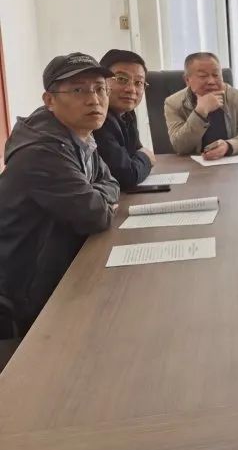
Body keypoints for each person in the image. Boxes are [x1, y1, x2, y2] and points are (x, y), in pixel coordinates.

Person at [0, 53, 120, 343]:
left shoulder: (77, 133)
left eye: (100, 88)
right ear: (49, 100)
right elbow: (96, 215)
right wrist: (99, 198)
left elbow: (111, 182)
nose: (94, 100)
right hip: (27, 288)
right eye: (78, 90)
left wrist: (97, 194)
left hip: (59, 264)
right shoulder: (42, 151)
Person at [164, 52, 238, 158]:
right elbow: (180, 146)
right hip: (192, 164)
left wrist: (228, 146)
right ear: (187, 80)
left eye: (216, 75)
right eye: (203, 76)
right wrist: (200, 111)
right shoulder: (173, 103)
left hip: (231, 162)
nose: (211, 81)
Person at [93, 49, 156, 189]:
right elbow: (127, 175)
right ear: (100, 82)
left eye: (138, 82)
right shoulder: (96, 118)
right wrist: (147, 158)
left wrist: (140, 158)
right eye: (121, 79)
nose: (131, 89)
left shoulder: (127, 113)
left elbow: (136, 152)